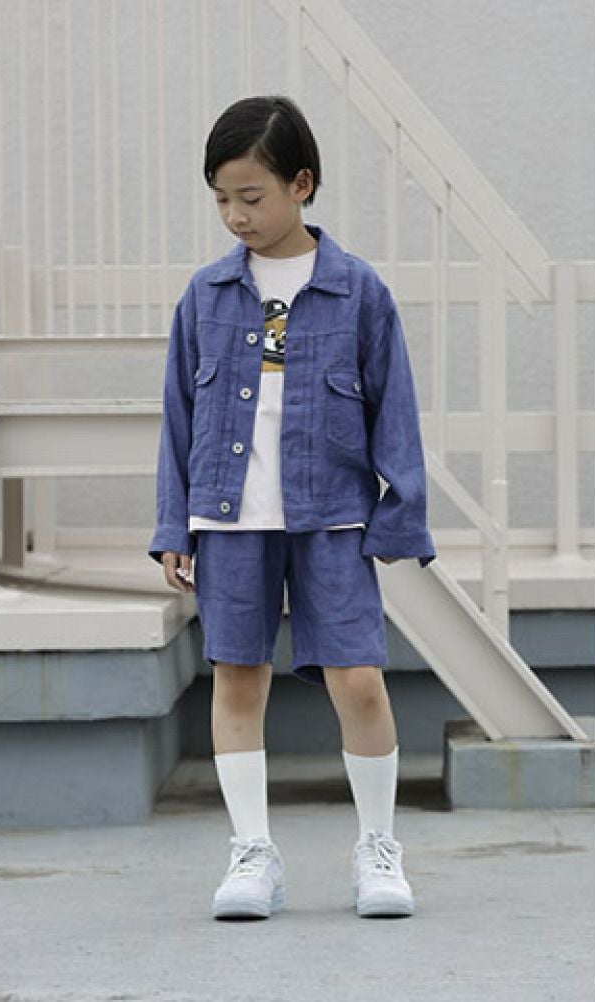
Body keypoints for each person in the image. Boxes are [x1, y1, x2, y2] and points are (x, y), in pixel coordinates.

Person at [148, 95, 436, 920]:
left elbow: (395, 407)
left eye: (252, 196)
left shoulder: (357, 291)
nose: (236, 216)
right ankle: (253, 855)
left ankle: (377, 849)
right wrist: (174, 525)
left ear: (301, 184)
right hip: (228, 517)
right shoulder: (205, 296)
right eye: (221, 199)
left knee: (360, 679)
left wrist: (400, 512)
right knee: (237, 677)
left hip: (332, 517)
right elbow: (178, 418)